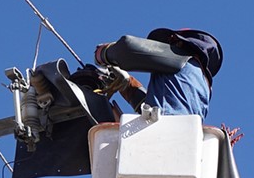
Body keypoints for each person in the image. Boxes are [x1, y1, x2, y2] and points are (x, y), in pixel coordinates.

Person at [94, 28, 223, 120]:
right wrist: (128, 86)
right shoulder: (204, 87)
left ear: (179, 43)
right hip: (181, 144)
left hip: (163, 134)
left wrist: (103, 53)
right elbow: (158, 110)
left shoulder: (181, 58)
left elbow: (127, 49)